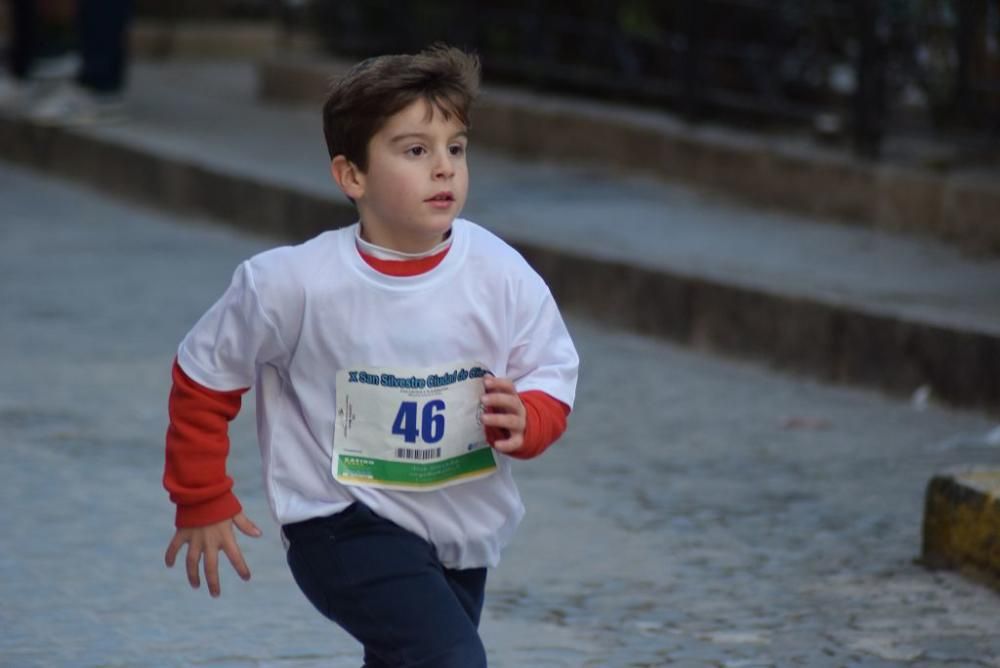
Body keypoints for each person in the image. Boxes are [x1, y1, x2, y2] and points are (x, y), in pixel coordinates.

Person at [162, 45, 579, 668]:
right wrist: (201, 496)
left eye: (456, 149)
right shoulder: (291, 283)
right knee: (450, 660)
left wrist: (531, 418)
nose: (444, 169)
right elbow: (204, 373)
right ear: (351, 175)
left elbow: (550, 367)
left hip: (459, 523)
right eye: (416, 150)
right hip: (339, 522)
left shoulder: (500, 272)